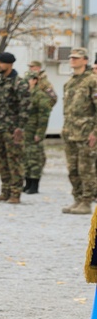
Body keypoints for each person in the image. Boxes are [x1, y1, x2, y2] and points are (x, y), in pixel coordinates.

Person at [0, 52, 29, 204]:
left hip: (12, 130)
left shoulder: (19, 83)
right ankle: (5, 191)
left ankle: (15, 193)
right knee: (1, 161)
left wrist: (20, 128)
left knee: (15, 162)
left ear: (9, 64)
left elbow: (25, 107)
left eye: (1, 63)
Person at [61, 47, 97, 214]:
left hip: (86, 133)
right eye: (71, 58)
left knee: (86, 169)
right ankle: (77, 199)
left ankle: (86, 201)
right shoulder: (70, 82)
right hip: (70, 132)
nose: (72, 60)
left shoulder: (92, 81)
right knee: (72, 169)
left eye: (76, 58)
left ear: (85, 60)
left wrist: (95, 132)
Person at [23, 72, 52, 195]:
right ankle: (27, 183)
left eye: (28, 80)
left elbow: (44, 115)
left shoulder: (40, 95)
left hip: (34, 130)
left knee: (35, 158)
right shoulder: (25, 95)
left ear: (35, 80)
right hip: (25, 131)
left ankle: (35, 185)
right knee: (26, 158)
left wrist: (40, 133)